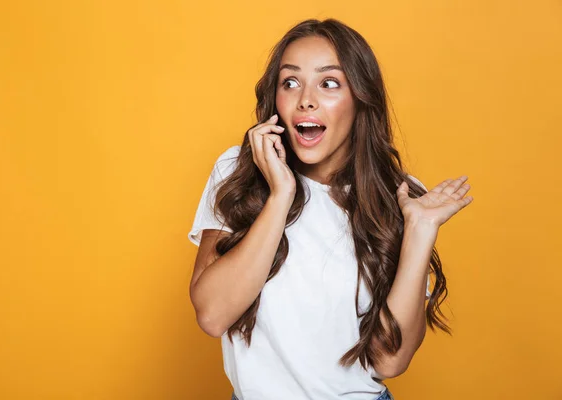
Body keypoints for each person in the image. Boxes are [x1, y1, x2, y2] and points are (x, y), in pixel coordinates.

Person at [187, 18, 473, 400]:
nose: (306, 98)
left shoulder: (399, 197)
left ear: (360, 99)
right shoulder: (239, 171)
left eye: (329, 83)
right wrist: (280, 194)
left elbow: (389, 361)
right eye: (290, 82)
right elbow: (212, 314)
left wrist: (419, 230)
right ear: (276, 100)